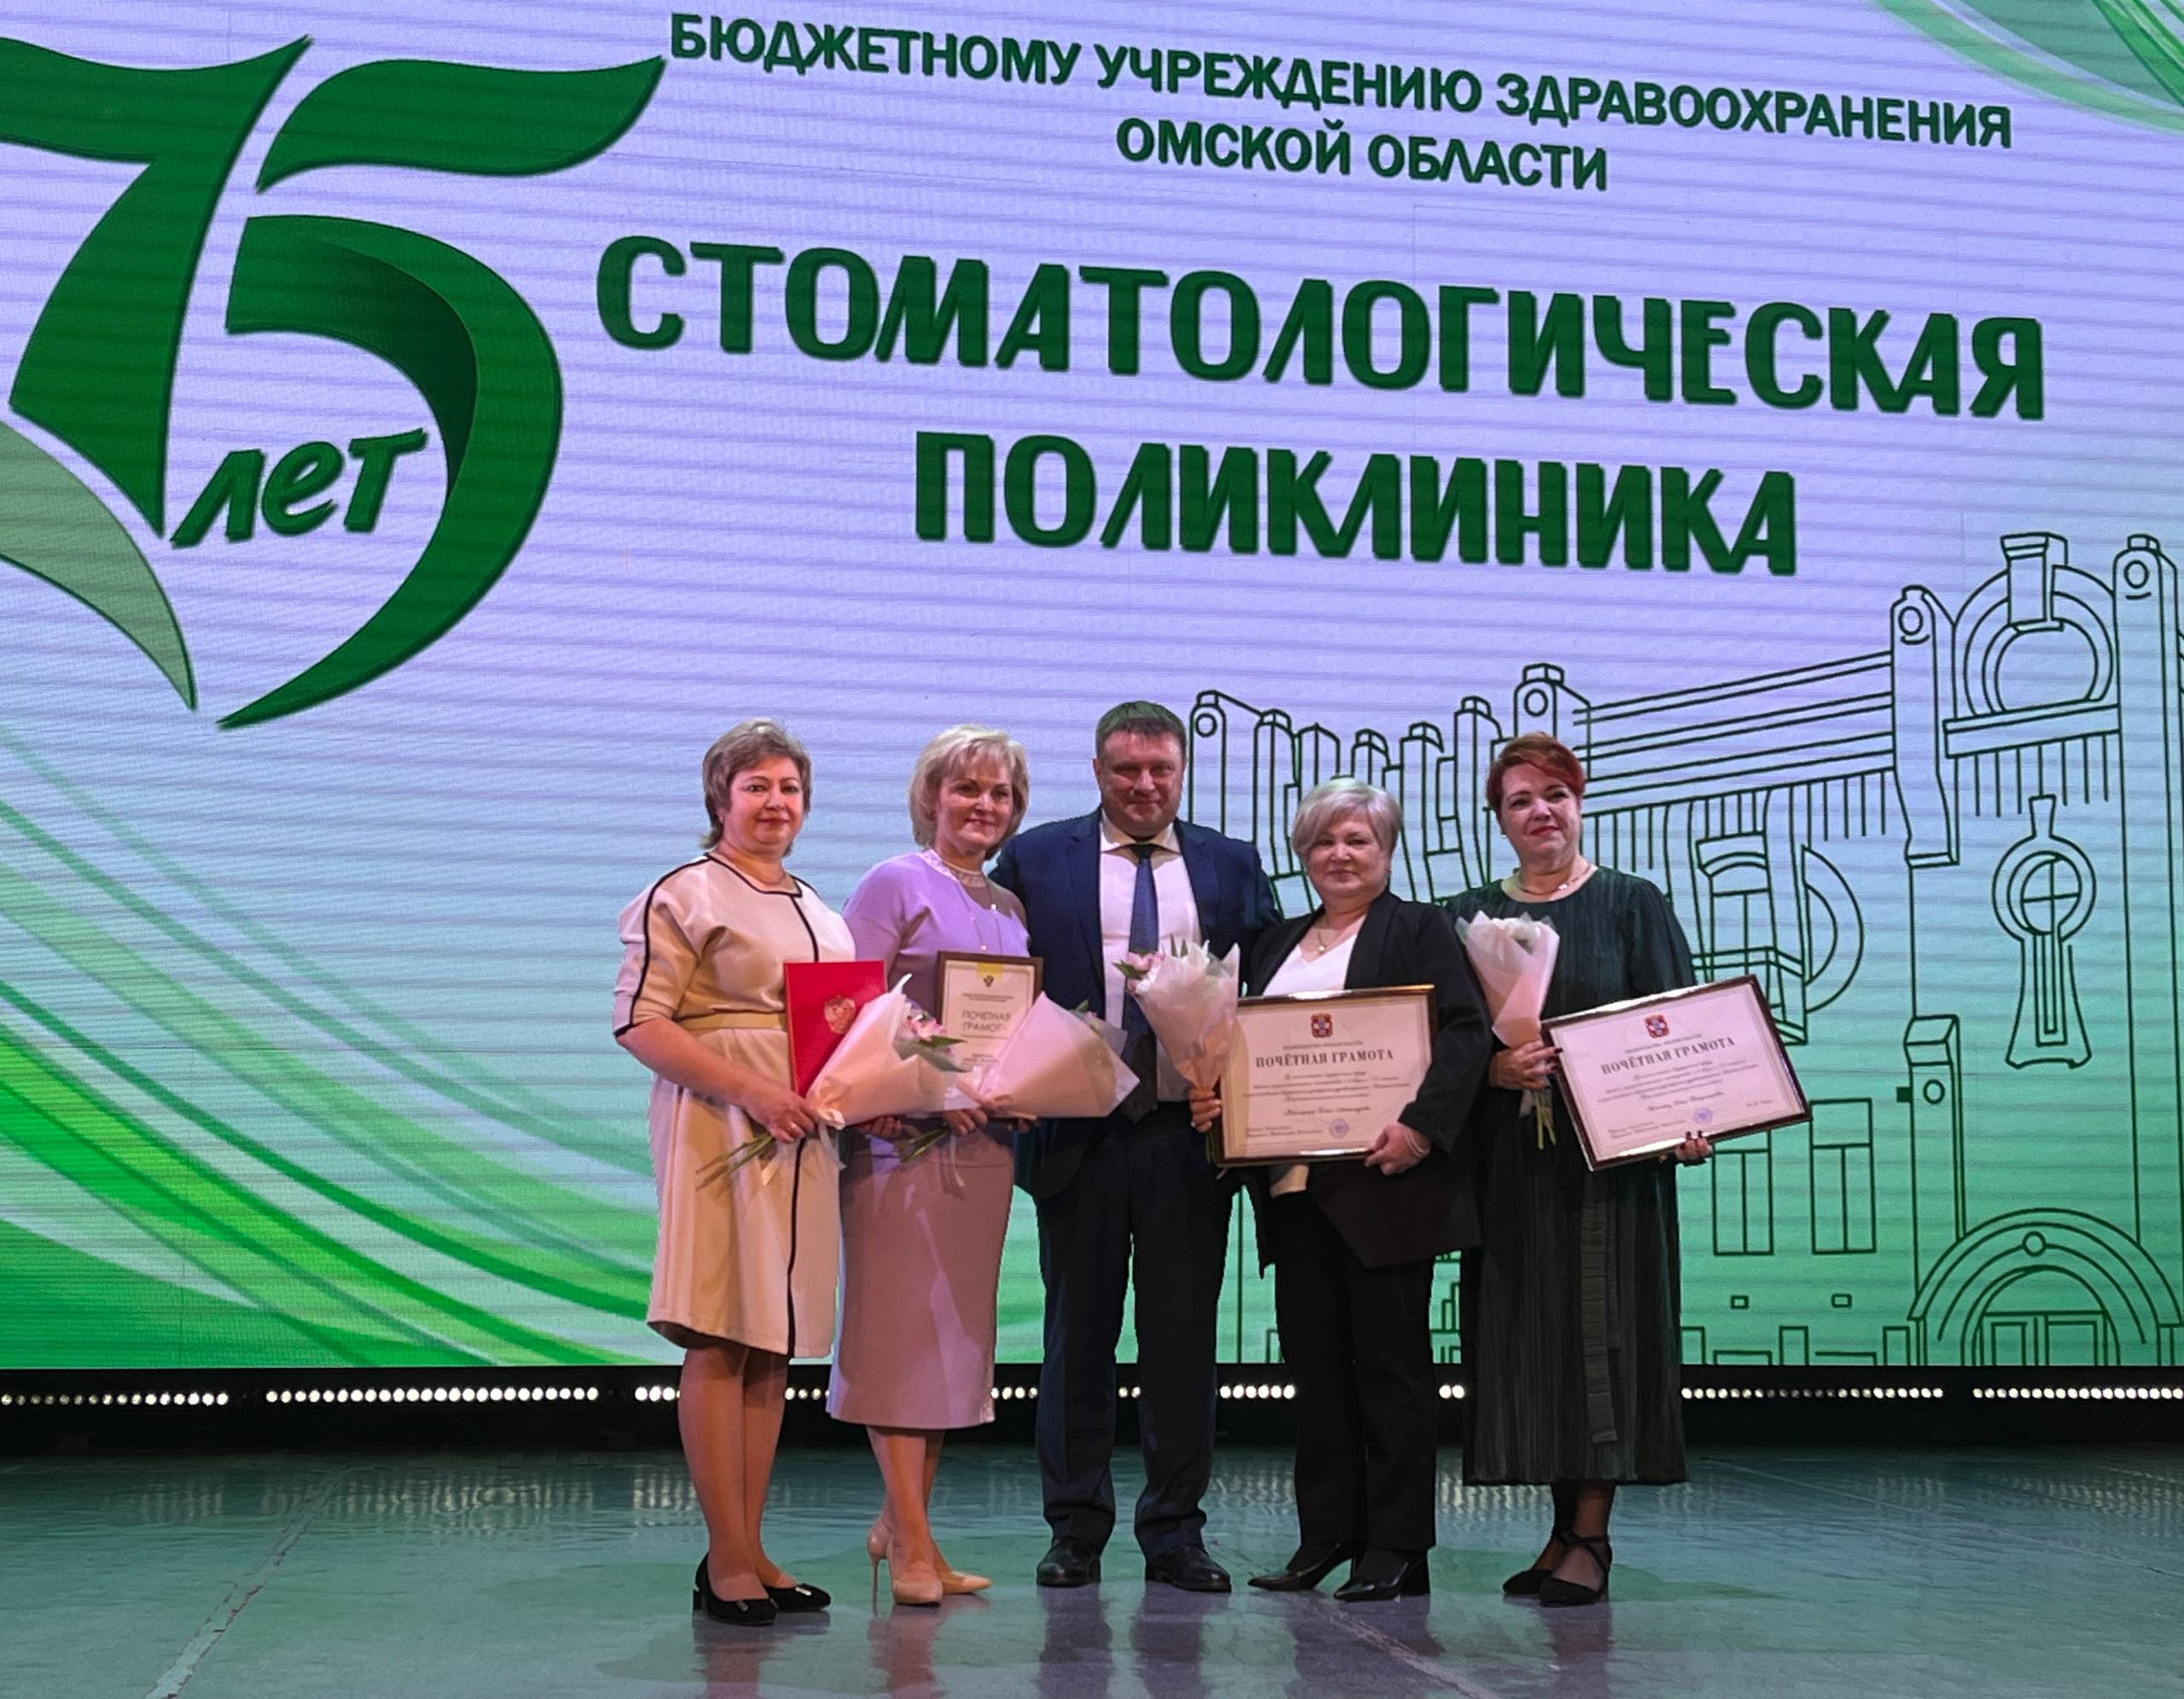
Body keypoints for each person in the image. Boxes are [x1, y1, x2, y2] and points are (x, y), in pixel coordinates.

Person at [990, 700, 1280, 1593]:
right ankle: (1074, 1528)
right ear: (1097, 772)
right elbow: (996, 981)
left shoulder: (1232, 863)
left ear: (1181, 771)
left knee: (1181, 1343)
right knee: (1076, 1338)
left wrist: (1242, 1096)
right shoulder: (1037, 858)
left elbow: (1267, 995)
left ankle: (1175, 1531)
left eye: (1160, 769)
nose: (1144, 785)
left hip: (1186, 1137)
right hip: (1075, 1134)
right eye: (1126, 770)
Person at [1188, 779, 1493, 1603]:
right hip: (1293, 1191)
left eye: (1358, 839)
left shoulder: (1421, 929)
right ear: (1303, 854)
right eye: (1324, 841)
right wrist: (1221, 1108)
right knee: (1316, 1374)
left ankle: (1397, 1545)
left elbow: (1467, 1033)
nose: (1341, 854)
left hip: (1387, 1184)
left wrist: (1421, 1128)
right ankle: (1326, 1534)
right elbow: (1241, 1050)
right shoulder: (1274, 942)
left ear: (1386, 850)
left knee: (1393, 1373)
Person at [1446, 733, 1714, 1609]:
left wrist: (1692, 1118)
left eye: (1556, 794)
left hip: (1614, 1165)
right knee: (1533, 1343)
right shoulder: (1467, 916)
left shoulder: (1632, 903)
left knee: (1604, 1335)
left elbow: (1683, 1030)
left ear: (1580, 802)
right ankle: (1561, 1530)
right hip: (1511, 1166)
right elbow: (1447, 1046)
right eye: (1520, 799)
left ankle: (1591, 1536)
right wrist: (1496, 1068)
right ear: (1498, 818)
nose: (1541, 812)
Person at [613, 719, 848, 1627]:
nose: (775, 801)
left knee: (770, 1338)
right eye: (757, 785)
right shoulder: (684, 891)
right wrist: (753, 1089)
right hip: (719, 1124)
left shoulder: (818, 905)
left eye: (789, 786)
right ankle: (725, 1561)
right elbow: (641, 1021)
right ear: (721, 797)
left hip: (802, 1135)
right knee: (718, 1330)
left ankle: (749, 1549)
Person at [830, 725, 1032, 1608]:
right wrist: (921, 1090)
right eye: (966, 788)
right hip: (898, 1145)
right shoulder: (894, 881)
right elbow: (848, 1007)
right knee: (895, 1342)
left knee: (949, 1349)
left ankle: (905, 1525)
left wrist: (1031, 1083)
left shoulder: (1009, 905)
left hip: (982, 1151)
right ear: (931, 796)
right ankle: (911, 1541)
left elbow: (1009, 1032)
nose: (983, 805)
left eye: (999, 793)